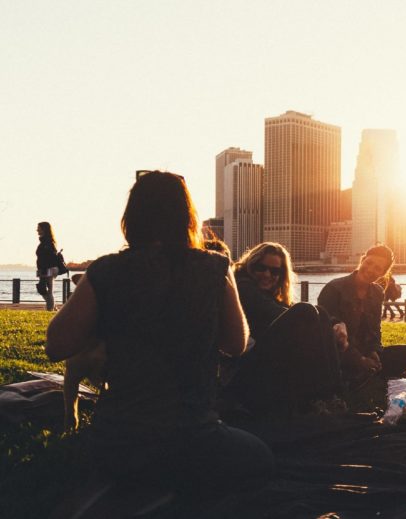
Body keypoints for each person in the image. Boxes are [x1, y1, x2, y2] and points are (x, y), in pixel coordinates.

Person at [45, 171, 273, 495]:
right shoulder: (215, 267)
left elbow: (56, 345)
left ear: (131, 218)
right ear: (187, 217)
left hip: (118, 443)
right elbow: (236, 344)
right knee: (261, 457)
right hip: (194, 439)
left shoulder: (105, 270)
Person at [223, 242, 342, 413]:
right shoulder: (243, 286)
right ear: (250, 265)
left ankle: (331, 395)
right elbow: (275, 312)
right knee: (306, 311)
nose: (267, 274)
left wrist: (336, 323)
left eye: (274, 271)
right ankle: (324, 395)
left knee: (320, 312)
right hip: (243, 370)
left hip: (261, 363)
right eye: (261, 268)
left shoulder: (268, 294)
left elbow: (286, 309)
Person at [318, 245, 406, 386]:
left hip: (363, 349)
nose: (370, 270)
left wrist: (374, 351)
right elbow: (331, 336)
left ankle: (362, 374)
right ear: (362, 260)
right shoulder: (334, 288)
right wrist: (360, 360)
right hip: (338, 351)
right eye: (369, 263)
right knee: (335, 361)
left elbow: (375, 329)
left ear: (383, 273)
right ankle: (358, 373)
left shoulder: (377, 292)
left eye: (378, 268)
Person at [35, 221, 59, 311]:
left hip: (48, 269)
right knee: (43, 289)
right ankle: (52, 307)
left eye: (39, 228)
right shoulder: (44, 241)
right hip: (44, 269)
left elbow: (50, 257)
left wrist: (48, 268)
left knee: (47, 289)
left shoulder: (48, 242)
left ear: (44, 229)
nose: (37, 230)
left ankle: (50, 309)